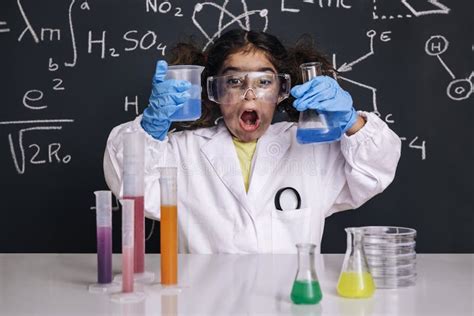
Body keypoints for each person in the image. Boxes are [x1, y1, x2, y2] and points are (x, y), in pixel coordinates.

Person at [104, 29, 401, 254]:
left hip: (290, 302)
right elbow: (131, 190)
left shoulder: (311, 148)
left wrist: (351, 121)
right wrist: (151, 126)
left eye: (264, 82)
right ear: (214, 91)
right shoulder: (183, 151)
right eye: (234, 81)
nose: (249, 94)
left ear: (283, 89)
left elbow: (375, 172)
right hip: (206, 303)